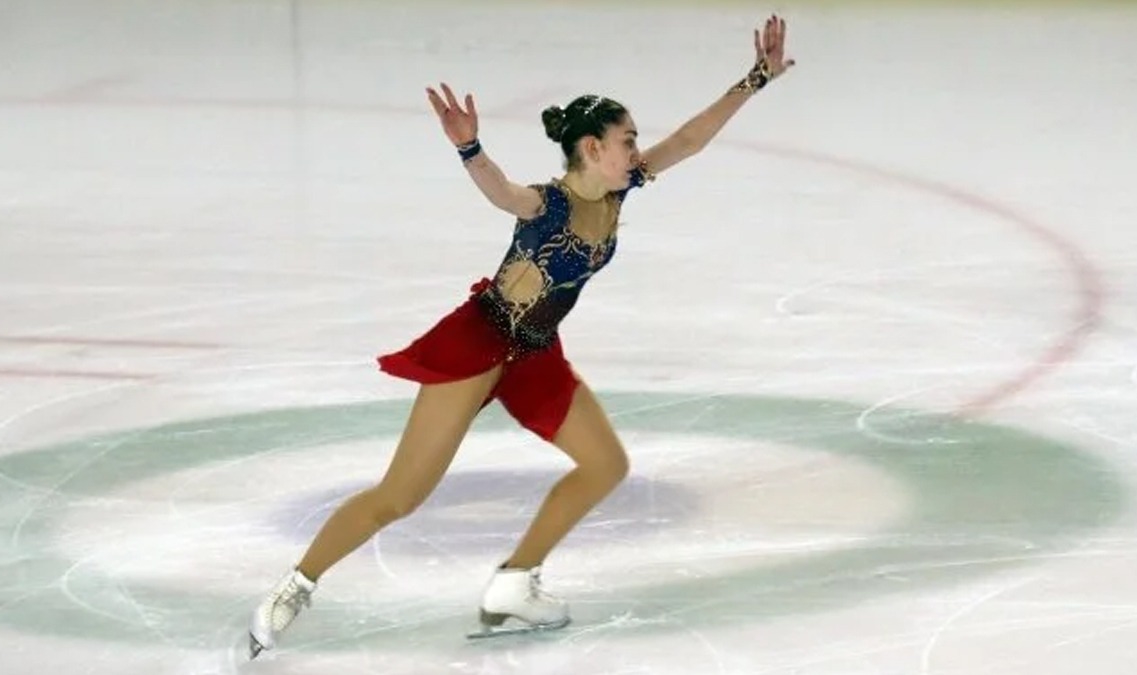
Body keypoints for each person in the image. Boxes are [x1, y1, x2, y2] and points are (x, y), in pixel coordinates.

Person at [248, 13, 794, 658]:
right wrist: (470, 149)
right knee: (400, 497)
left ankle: (515, 580)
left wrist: (757, 78)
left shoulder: (620, 192)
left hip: (534, 353)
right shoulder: (548, 203)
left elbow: (689, 139)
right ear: (592, 148)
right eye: (626, 140)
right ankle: (295, 586)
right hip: (480, 345)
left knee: (606, 465)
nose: (636, 150)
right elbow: (502, 193)